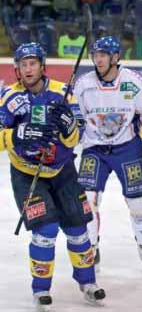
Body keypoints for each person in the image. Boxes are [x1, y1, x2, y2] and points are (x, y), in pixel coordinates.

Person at [0, 43, 105, 310]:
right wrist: (17, 134)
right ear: (17, 70)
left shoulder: (64, 93)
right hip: (27, 173)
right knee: (45, 231)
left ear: (42, 65)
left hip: (63, 171)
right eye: (23, 65)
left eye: (32, 63)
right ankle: (40, 289)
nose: (28, 69)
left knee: (78, 230)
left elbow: (76, 137)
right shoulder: (9, 98)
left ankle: (88, 282)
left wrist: (69, 126)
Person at [73, 36, 142, 271]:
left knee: (137, 202)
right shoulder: (84, 84)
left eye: (103, 55)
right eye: (95, 55)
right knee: (88, 201)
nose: (98, 60)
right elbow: (73, 114)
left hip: (127, 148)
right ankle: (92, 247)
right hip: (94, 149)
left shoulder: (133, 81)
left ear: (115, 57)